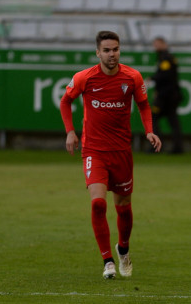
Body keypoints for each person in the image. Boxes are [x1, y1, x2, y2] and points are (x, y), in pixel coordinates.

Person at [60, 30, 162, 279]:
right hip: (94, 150)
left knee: (123, 207)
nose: (111, 54)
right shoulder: (84, 78)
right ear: (98, 52)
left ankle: (123, 250)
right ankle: (107, 261)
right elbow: (65, 102)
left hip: (121, 152)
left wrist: (149, 131)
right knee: (97, 203)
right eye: (106, 50)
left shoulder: (132, 77)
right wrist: (71, 132)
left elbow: (144, 105)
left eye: (115, 49)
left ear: (119, 50)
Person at [150, 36, 183, 154]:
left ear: (163, 44)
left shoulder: (165, 58)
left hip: (166, 97)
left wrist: (152, 78)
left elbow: (165, 76)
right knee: (173, 121)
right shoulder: (166, 57)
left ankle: (156, 146)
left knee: (153, 117)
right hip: (170, 96)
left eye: (157, 44)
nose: (155, 47)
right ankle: (177, 148)